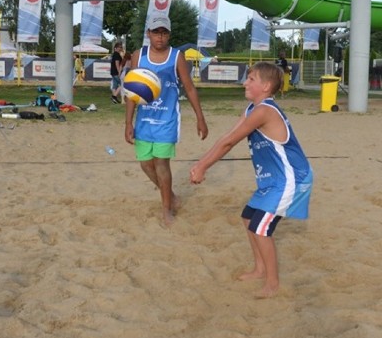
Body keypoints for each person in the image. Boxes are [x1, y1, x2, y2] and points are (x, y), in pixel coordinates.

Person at [190, 62, 313, 298]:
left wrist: (203, 166)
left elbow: (230, 143)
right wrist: (200, 163)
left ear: (266, 86)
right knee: (248, 217)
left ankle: (272, 283)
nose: (245, 82)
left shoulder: (265, 111)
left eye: (251, 79)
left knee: (260, 228)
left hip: (292, 180)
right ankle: (259, 269)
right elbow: (227, 137)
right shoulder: (251, 109)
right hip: (272, 182)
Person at [124, 16, 208, 226]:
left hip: (167, 119)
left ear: (169, 34)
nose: (160, 37)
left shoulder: (176, 56)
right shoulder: (138, 56)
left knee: (161, 164)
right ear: (148, 34)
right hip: (144, 120)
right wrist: (128, 122)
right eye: (156, 32)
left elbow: (189, 87)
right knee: (145, 165)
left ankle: (166, 211)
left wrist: (200, 117)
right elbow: (132, 92)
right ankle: (171, 196)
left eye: (164, 32)